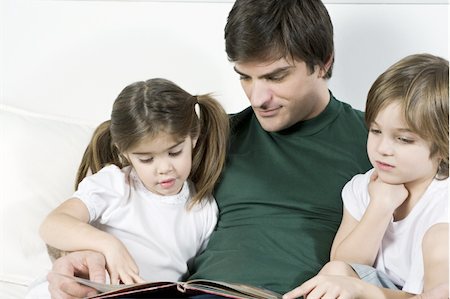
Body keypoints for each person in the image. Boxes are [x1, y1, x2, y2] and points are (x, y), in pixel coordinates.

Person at [47, 0, 375, 298]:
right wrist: (74, 257)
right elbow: (130, 210)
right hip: (201, 292)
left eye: (276, 77)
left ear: (323, 63)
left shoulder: (378, 144)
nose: (258, 98)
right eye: (245, 77)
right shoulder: (214, 137)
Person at [37, 78, 229, 293]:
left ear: (193, 137)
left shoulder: (202, 209)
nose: (164, 168)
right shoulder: (115, 184)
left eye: (174, 153)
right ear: (124, 152)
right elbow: (52, 225)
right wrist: (109, 245)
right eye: (147, 159)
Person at [283, 53, 449, 299]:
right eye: (375, 130)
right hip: (382, 290)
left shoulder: (443, 201)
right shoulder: (362, 188)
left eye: (403, 139)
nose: (382, 148)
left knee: (440, 238)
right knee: (336, 271)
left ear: (444, 145)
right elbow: (343, 264)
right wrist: (380, 208)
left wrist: (364, 291)